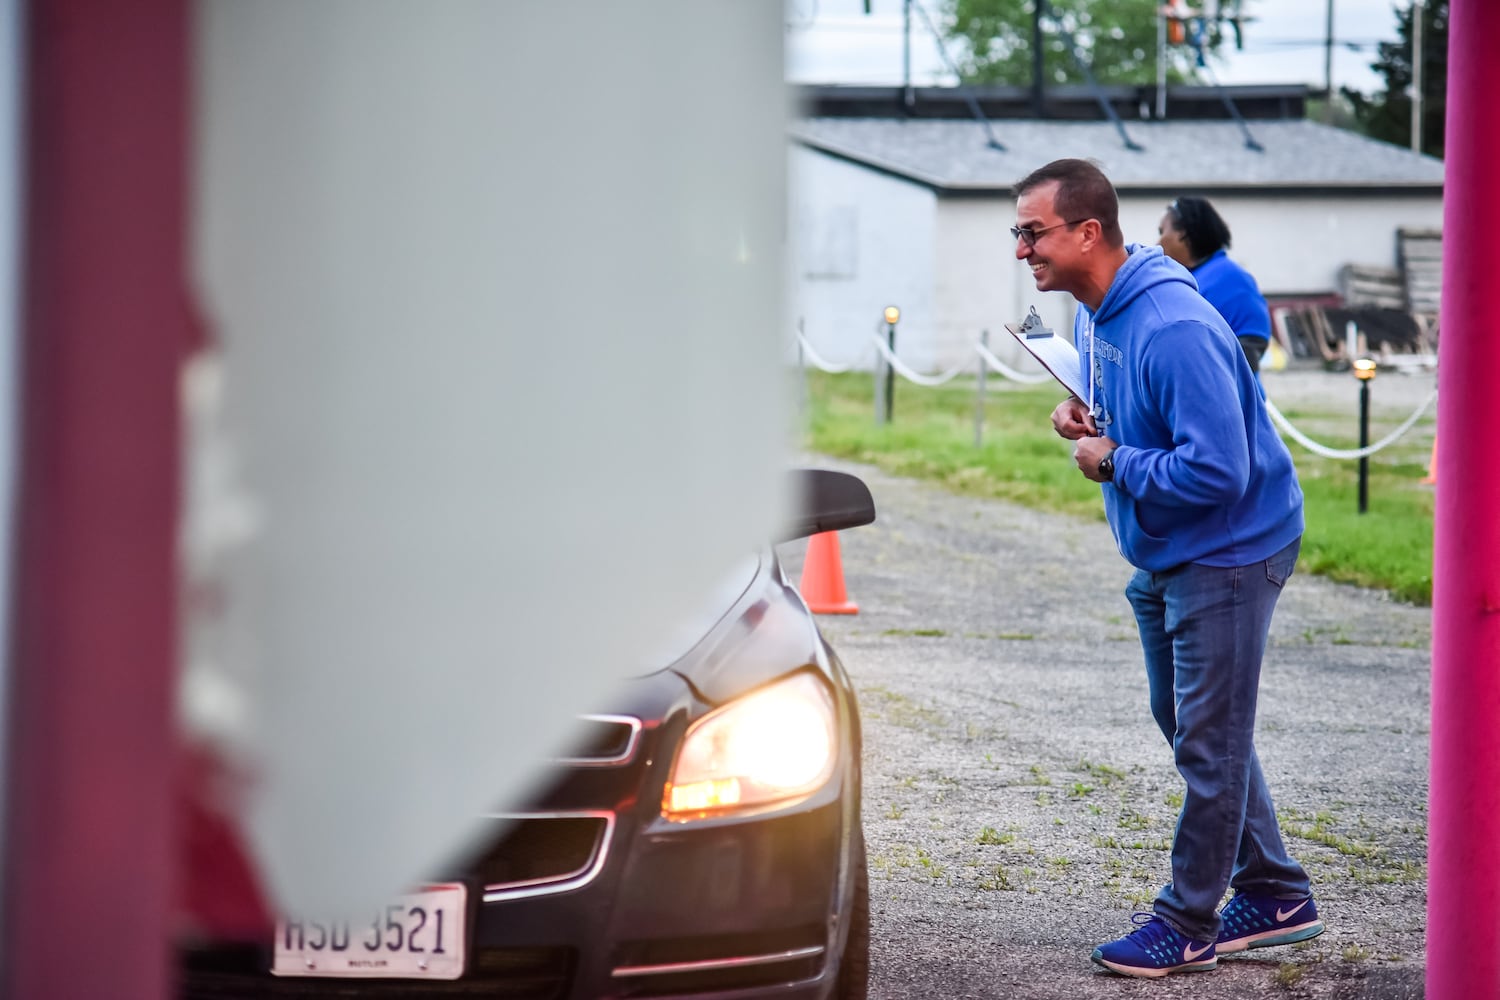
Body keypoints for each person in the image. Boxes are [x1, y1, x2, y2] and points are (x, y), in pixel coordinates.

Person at [1010, 158, 1324, 979]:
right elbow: (1137, 412)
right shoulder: (1095, 310)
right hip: (1168, 549)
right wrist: (1085, 410)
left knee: (1208, 745)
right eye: (1018, 233)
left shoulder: (1171, 325)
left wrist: (1115, 461)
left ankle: (1188, 921)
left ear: (1088, 232)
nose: (1021, 250)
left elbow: (1220, 470)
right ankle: (1278, 893)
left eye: (1032, 232)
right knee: (1190, 724)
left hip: (1228, 548)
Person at [1157, 196, 1273, 373]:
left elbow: (1253, 342)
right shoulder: (1187, 276)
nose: (1157, 243)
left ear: (1182, 233)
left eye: (1162, 232)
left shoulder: (1233, 278)